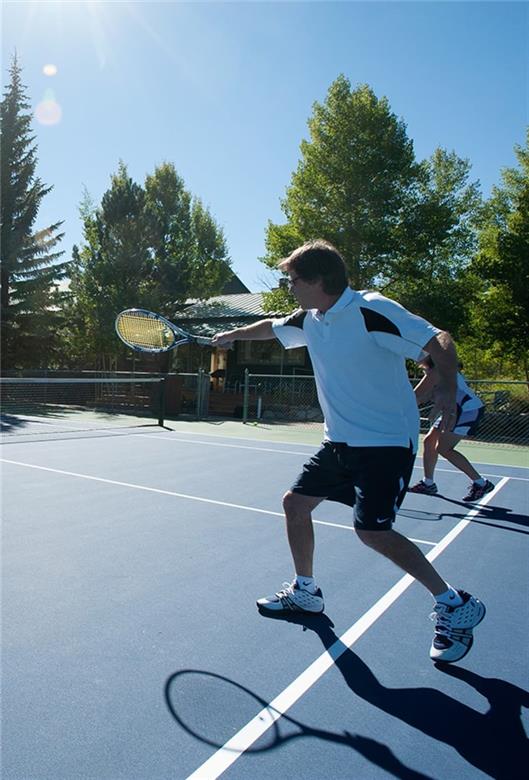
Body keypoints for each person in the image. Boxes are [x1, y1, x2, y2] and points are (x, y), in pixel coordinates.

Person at [212, 240, 485, 664]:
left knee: (373, 533)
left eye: (293, 280)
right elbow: (270, 324)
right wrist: (233, 334)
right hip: (338, 441)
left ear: (319, 280)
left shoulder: (371, 309)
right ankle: (306, 593)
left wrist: (446, 387)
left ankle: (454, 603)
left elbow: (438, 341)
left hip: (384, 444)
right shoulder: (310, 318)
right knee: (295, 504)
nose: (289, 287)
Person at [409, 356, 494, 501]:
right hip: (453, 410)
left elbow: (416, 396)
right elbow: (424, 396)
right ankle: (428, 483)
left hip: (466, 410)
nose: (414, 357)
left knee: (444, 448)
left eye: (418, 354)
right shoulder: (435, 370)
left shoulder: (436, 371)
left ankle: (481, 483)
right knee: (429, 441)